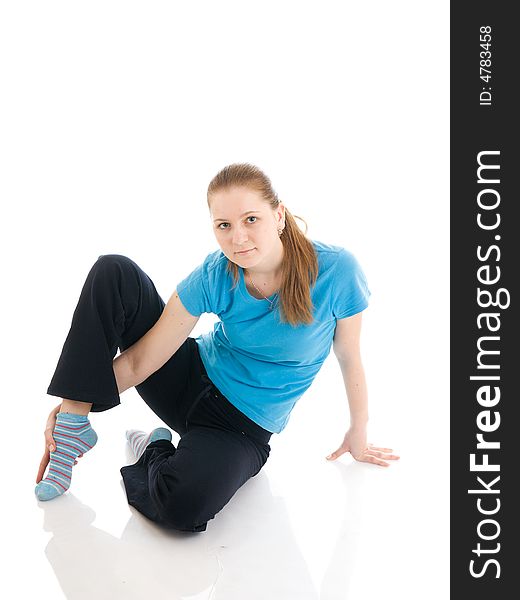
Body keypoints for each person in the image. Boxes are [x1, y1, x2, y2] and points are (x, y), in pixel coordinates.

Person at [35, 163, 399, 532]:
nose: (238, 238)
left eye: (251, 219)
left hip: (240, 429)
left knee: (182, 508)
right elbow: (141, 361)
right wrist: (74, 404)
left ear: (279, 216)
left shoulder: (337, 271)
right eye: (224, 225)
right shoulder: (214, 273)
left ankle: (154, 447)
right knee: (113, 270)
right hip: (185, 379)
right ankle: (72, 432)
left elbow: (349, 356)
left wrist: (358, 429)